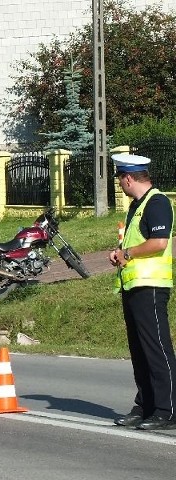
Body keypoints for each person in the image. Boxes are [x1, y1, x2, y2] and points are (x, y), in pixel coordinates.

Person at [108, 154, 176, 430]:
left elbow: (159, 243)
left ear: (128, 178)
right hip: (134, 286)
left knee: (157, 349)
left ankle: (167, 410)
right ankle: (146, 405)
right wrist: (121, 254)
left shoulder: (157, 202)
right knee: (139, 351)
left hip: (151, 287)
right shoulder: (137, 205)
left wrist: (127, 252)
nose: (120, 185)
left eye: (120, 179)